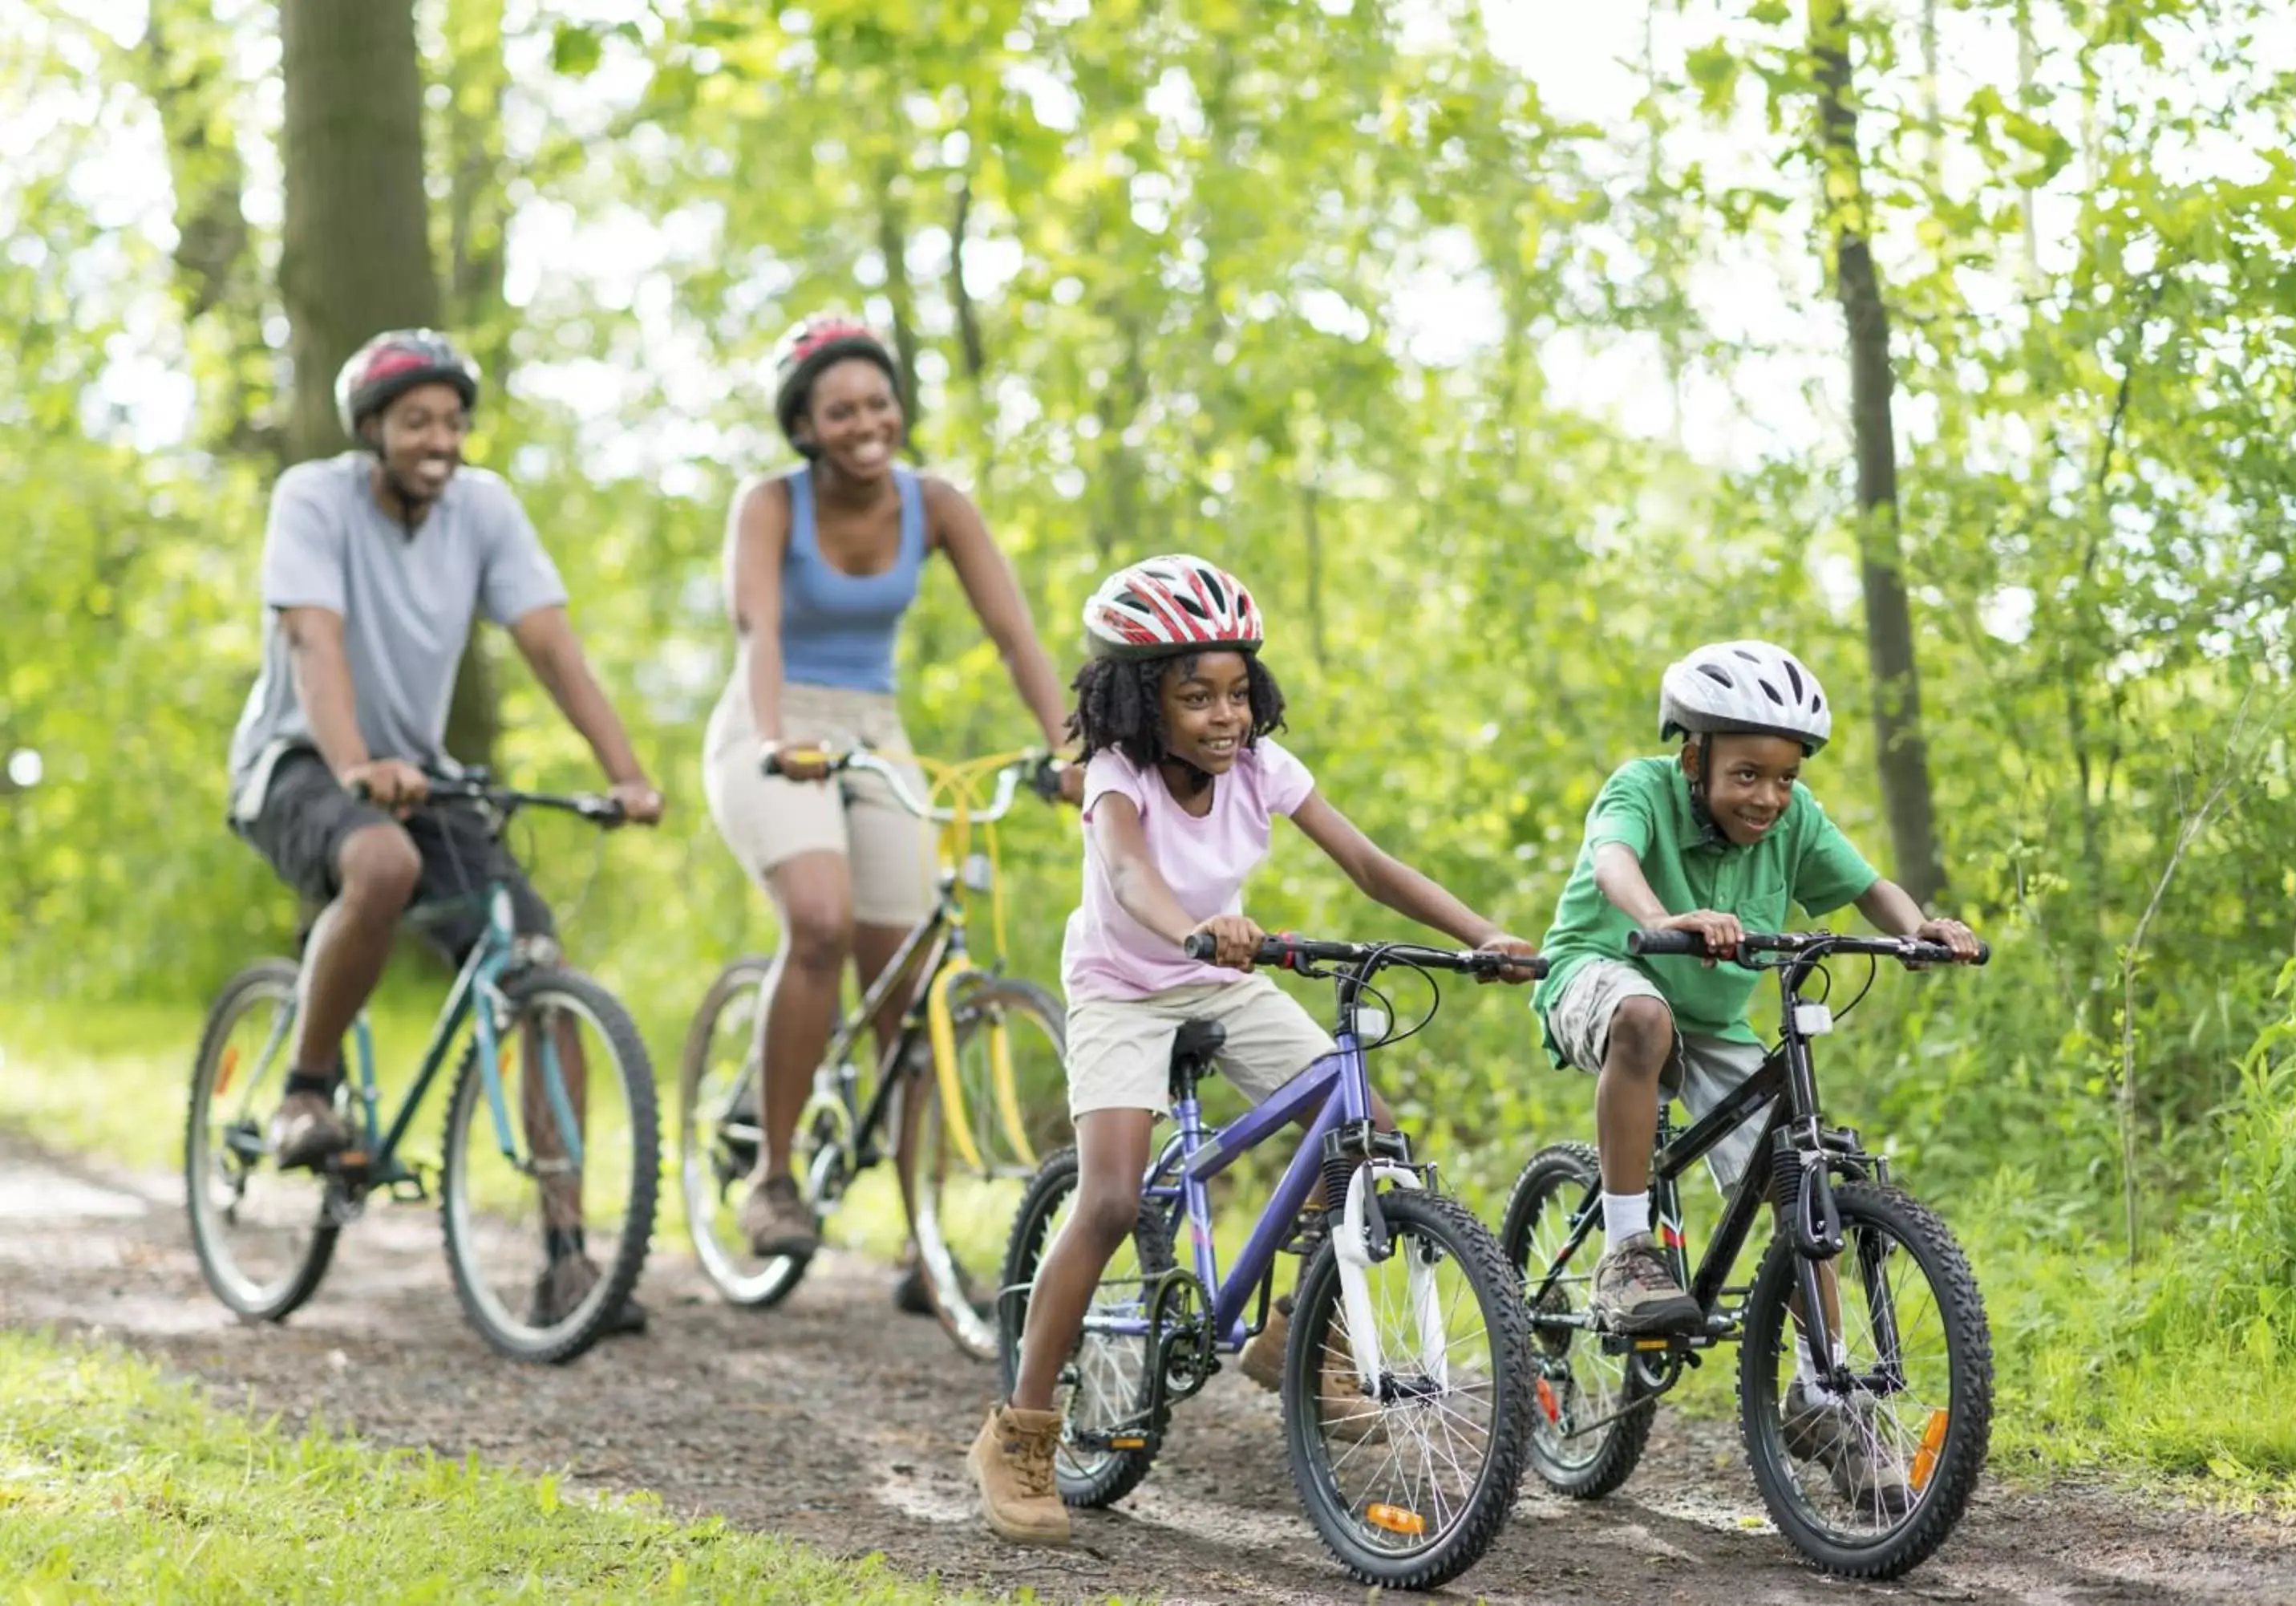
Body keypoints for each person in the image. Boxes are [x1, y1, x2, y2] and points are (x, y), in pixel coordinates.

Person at [964, 553, 1538, 1545]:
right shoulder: (1114, 776)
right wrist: (1194, 922)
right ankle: (1020, 1432)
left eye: (1238, 692)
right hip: (1123, 986)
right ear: (1143, 702)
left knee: (1366, 1133)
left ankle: (1302, 1340)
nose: (1224, 716)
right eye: (1196, 697)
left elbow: (1366, 861)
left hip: (1222, 974)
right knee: (1107, 1197)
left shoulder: (1262, 767)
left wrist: (1479, 935)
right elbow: (1131, 875)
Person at [225, 328, 665, 1330]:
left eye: (455, 422)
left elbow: (550, 643)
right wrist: (352, 765)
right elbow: (312, 640)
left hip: (418, 774)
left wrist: (626, 773)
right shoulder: (312, 496)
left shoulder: (485, 509)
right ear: (372, 429)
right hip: (297, 760)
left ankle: (566, 1257)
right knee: (378, 861)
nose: (441, 439)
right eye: (418, 420)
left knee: (540, 967)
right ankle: (303, 1089)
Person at [1529, 638, 1980, 1503]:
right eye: (1745, 774)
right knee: (1643, 1018)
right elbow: (1611, 861)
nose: (1768, 796)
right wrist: (1667, 916)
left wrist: (1919, 924)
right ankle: (1627, 1248)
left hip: (1711, 1015)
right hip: (1602, 972)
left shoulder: (1797, 817)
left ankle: (1822, 1394)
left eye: (1783, 776)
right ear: (1692, 757)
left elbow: (1868, 885)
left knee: (1794, 1179)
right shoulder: (1642, 789)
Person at [702, 314, 1079, 1275]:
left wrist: (1070, 749)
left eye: (879, 402)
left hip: (875, 726)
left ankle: (923, 1237)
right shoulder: (769, 504)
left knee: (909, 986)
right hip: (774, 719)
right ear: (804, 426)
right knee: (821, 924)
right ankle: (773, 1177)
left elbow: (1014, 636)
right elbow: (759, 628)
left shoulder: (937, 503)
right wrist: (779, 737)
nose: (865, 422)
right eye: (840, 409)